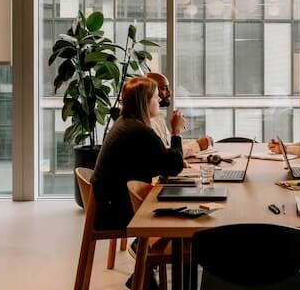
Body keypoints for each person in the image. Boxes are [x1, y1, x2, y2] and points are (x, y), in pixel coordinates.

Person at [90, 76, 184, 231]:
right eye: (155, 97)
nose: (159, 100)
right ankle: (157, 244)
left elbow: (156, 162)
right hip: (117, 212)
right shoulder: (139, 131)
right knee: (181, 210)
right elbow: (174, 167)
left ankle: (152, 244)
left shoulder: (125, 122)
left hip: (109, 203)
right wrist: (176, 132)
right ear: (145, 102)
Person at [145, 72, 211, 157]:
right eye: (164, 88)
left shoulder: (158, 117)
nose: (170, 93)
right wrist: (197, 145)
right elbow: (166, 155)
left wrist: (197, 142)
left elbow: (169, 145)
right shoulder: (146, 122)